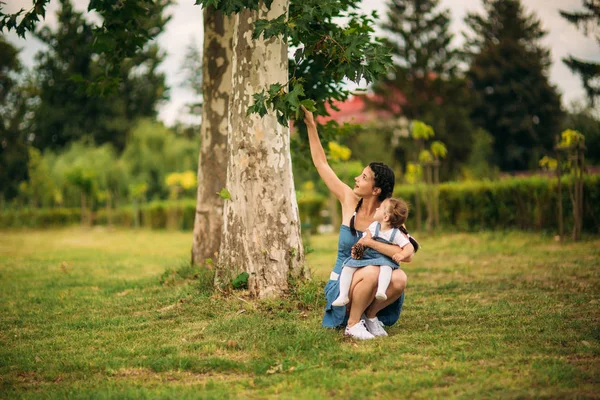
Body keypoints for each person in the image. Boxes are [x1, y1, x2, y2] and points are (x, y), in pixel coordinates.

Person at [301, 106, 416, 340]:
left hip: (371, 284)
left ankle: (369, 317)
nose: (356, 178)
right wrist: (311, 125)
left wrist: (372, 244)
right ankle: (352, 324)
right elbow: (322, 165)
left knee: (400, 277)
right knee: (373, 270)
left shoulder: (389, 216)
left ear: (376, 189)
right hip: (341, 286)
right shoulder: (348, 201)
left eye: (363, 177)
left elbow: (407, 254)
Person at [332, 197, 416, 307]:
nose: (377, 209)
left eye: (380, 208)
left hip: (384, 258)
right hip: (369, 256)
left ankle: (381, 290)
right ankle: (343, 295)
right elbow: (365, 238)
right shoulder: (374, 226)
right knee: (348, 267)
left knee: (386, 268)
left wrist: (402, 254)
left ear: (385, 217)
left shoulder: (394, 233)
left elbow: (409, 247)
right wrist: (358, 247)